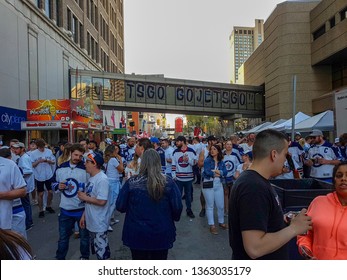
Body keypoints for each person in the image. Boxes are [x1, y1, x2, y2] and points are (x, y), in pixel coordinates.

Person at [228, 129, 312, 260]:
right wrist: (294, 228)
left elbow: (258, 219)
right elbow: (255, 248)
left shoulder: (256, 181)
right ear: (274, 154)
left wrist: (280, 219)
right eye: (285, 155)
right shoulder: (253, 187)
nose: (285, 160)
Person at [116, 149, 183, 260]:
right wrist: (173, 218)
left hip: (137, 233)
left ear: (143, 163)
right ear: (158, 163)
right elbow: (177, 207)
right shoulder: (168, 182)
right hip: (161, 231)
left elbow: (120, 206)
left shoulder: (132, 183)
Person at [297, 162, 347, 260]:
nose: (343, 178)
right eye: (339, 175)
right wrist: (306, 251)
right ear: (334, 180)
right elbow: (305, 232)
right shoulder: (318, 202)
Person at [52, 144, 90, 260]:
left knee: (84, 238)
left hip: (82, 211)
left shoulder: (86, 169)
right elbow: (53, 184)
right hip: (65, 210)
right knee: (63, 238)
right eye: (75, 154)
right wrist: (58, 186)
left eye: (80, 155)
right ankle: (60, 259)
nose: (77, 157)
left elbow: (90, 188)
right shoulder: (61, 167)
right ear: (70, 154)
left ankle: (84, 257)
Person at [78, 152, 111, 260]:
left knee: (102, 255)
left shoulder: (102, 179)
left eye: (87, 162)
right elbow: (90, 198)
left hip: (99, 222)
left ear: (94, 164)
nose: (84, 164)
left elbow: (102, 201)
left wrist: (84, 197)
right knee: (97, 252)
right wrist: (84, 216)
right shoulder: (92, 178)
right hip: (92, 221)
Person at [202, 144, 228, 235]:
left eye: (214, 149)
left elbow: (225, 172)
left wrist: (218, 172)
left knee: (220, 205)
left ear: (218, 151)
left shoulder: (221, 161)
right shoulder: (207, 160)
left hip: (218, 184)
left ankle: (221, 222)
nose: (212, 151)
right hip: (209, 183)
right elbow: (207, 171)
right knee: (210, 205)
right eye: (211, 149)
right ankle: (212, 225)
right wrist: (217, 174)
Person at [172, 135, 197, 218]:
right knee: (178, 195)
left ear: (182, 141)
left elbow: (194, 163)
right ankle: (177, 210)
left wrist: (188, 160)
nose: (176, 143)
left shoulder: (191, 151)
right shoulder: (175, 152)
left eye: (178, 141)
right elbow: (173, 164)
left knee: (188, 195)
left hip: (189, 178)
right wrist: (174, 175)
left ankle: (189, 209)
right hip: (178, 178)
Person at [30, 138, 56, 218]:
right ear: (37, 147)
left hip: (48, 174)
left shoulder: (48, 151)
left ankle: (48, 206)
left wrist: (48, 161)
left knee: (50, 192)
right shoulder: (33, 153)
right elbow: (32, 165)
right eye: (40, 147)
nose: (42, 149)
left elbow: (53, 161)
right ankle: (41, 210)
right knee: (40, 194)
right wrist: (39, 161)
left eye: (43, 147)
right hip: (39, 175)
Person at [12, 142, 35, 231]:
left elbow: (29, 171)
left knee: (25, 204)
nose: (15, 150)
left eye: (17, 148)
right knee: (26, 204)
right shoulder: (22, 157)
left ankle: (28, 223)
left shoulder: (24, 158)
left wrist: (18, 175)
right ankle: (29, 222)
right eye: (14, 148)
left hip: (25, 185)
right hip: (25, 184)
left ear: (22, 149)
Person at [103, 145, 124, 231]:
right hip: (113, 182)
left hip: (110, 181)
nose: (117, 152)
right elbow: (121, 169)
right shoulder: (113, 160)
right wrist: (121, 161)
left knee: (110, 203)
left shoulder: (107, 159)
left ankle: (109, 220)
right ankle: (106, 223)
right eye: (115, 150)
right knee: (112, 204)